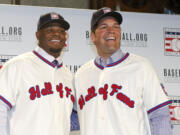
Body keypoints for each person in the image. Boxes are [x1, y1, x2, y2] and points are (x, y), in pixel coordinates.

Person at [74, 7, 173, 135]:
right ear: (93, 36)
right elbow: (76, 118)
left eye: (116, 26)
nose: (111, 31)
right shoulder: (82, 73)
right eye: (104, 27)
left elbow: (160, 116)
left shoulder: (141, 66)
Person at [0, 12, 75, 135]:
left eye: (61, 31)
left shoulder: (68, 75)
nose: (57, 34)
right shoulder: (17, 66)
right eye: (50, 30)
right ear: (38, 35)